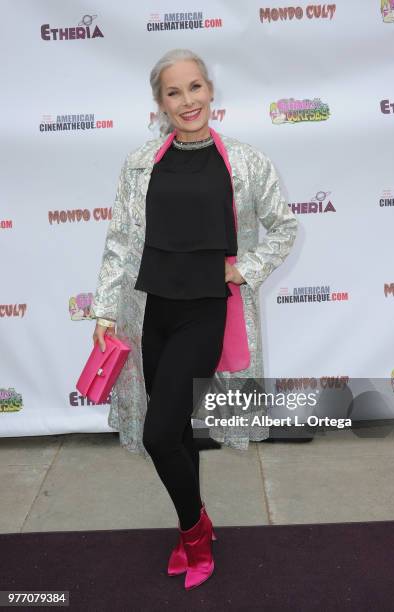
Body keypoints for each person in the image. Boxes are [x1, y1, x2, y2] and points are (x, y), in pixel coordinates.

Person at [91, 48, 298, 590]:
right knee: (175, 430)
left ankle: (196, 532)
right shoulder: (140, 164)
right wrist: (106, 312)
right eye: (174, 92)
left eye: (196, 87)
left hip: (208, 314)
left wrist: (243, 267)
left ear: (211, 91)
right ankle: (193, 525)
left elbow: (284, 228)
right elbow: (118, 244)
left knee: (159, 434)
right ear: (159, 102)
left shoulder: (247, 163)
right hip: (151, 312)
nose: (188, 101)